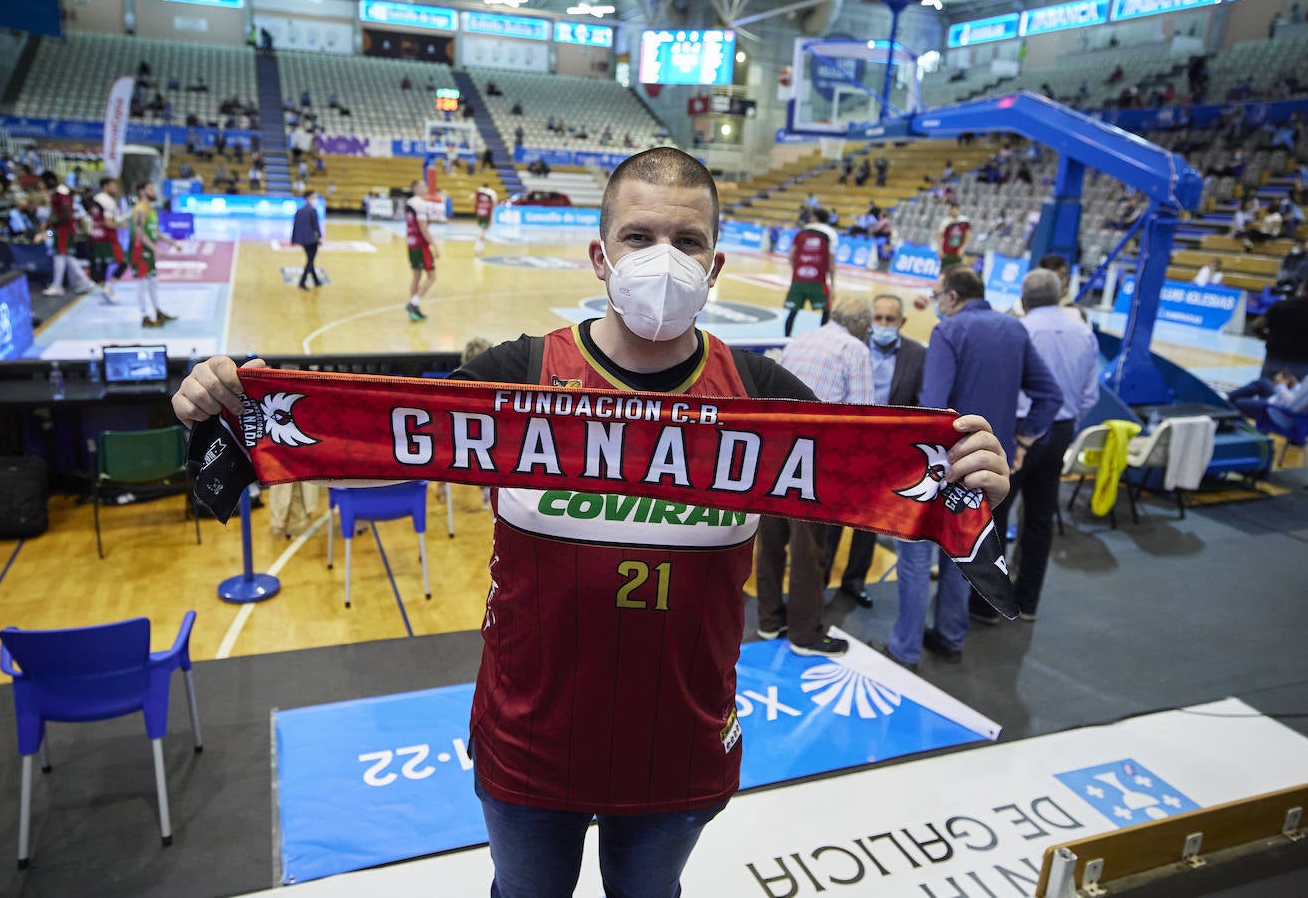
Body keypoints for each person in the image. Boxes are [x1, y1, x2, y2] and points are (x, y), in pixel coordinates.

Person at [170, 146, 1012, 898]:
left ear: (715, 265)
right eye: (639, 237)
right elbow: (375, 438)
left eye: (686, 242)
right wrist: (239, 410)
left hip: (681, 742)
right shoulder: (518, 375)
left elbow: (890, 488)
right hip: (529, 737)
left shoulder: (767, 399)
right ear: (600, 255)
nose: (662, 259)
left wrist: (971, 485)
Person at [884, 266, 1061, 668]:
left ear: (952, 296)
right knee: (965, 554)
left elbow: (933, 406)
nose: (936, 302)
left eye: (937, 295)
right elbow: (1050, 395)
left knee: (914, 558)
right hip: (991, 466)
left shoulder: (949, 330)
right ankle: (951, 639)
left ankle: (904, 649)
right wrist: (1023, 440)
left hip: (945, 465)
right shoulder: (1014, 329)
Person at [973, 269, 1098, 625]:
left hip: (1018, 431)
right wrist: (1065, 426)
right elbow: (1090, 395)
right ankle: (1027, 602)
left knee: (995, 515)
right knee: (1041, 518)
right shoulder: (1085, 333)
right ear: (1059, 296)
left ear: (1023, 300)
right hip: (1060, 429)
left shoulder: (1018, 330)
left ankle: (988, 605)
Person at [756, 296, 873, 656]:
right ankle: (805, 635)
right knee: (808, 549)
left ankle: (768, 621)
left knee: (771, 541)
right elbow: (862, 418)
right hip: (814, 457)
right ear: (862, 326)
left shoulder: (801, 340)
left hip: (774, 450)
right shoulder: (855, 350)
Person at [825, 294, 926, 609]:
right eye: (877, 318)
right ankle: (820, 578)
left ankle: (854, 581)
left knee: (869, 522)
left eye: (889, 319)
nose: (882, 324)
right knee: (831, 520)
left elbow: (921, 404)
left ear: (902, 322)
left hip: (886, 451)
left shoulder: (917, 355)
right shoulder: (851, 347)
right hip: (847, 447)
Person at [129, 180, 180, 328]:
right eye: (150, 189)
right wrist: (155, 248)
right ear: (142, 192)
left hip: (148, 250)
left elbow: (154, 232)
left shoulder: (150, 209)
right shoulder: (139, 209)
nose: (154, 192)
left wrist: (171, 242)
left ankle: (158, 311)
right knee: (141, 282)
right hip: (139, 250)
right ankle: (144, 316)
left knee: (153, 282)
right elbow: (139, 233)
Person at [784, 207, 837, 337]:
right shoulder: (831, 234)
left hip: (798, 280)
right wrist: (833, 286)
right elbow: (831, 263)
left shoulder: (801, 232)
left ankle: (785, 339)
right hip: (818, 282)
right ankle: (822, 339)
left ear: (815, 217)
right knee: (826, 311)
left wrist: (797, 270)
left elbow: (790, 257)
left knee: (792, 312)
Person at [42, 176, 96, 298]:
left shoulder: (61, 194)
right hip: (62, 230)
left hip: (63, 231)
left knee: (60, 256)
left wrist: (51, 223)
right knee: (67, 257)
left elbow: (66, 214)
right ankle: (86, 282)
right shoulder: (60, 193)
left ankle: (57, 286)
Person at [1256, 281, 1308, 379]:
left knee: (1265, 387)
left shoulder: (1280, 305)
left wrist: (1266, 337)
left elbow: (1257, 326)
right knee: (1298, 389)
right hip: (1302, 363)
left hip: (1274, 358)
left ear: (1302, 289)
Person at [87, 177, 126, 303]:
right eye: (113, 185)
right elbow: (108, 223)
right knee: (124, 261)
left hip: (96, 236)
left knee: (103, 265)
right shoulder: (108, 201)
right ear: (106, 186)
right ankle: (109, 287)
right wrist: (121, 224)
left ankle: (104, 292)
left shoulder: (95, 199)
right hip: (108, 238)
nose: (116, 188)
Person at [404, 179, 438, 321]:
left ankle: (414, 309)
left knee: (416, 276)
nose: (426, 188)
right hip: (420, 245)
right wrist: (434, 245)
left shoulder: (409, 203)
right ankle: (413, 303)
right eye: (423, 186)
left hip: (411, 243)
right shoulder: (420, 204)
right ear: (415, 188)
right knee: (432, 276)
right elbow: (423, 228)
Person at [291, 190, 322, 290]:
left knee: (310, 259)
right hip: (312, 240)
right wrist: (319, 238)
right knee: (310, 261)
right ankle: (302, 282)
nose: (316, 199)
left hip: (303, 240)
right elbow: (316, 227)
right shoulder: (312, 210)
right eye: (314, 197)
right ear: (308, 198)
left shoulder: (299, 210)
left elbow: (295, 226)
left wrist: (294, 239)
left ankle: (316, 281)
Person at [473, 182, 497, 256]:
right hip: (486, 214)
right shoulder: (491, 193)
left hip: (479, 213)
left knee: (483, 231)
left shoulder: (478, 191)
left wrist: (477, 207)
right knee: (483, 232)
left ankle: (481, 249)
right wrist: (491, 216)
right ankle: (477, 248)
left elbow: (471, 199)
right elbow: (494, 203)